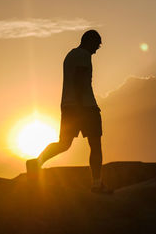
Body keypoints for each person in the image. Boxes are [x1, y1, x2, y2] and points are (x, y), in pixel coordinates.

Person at [26, 30, 113, 194]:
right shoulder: (83, 55)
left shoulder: (70, 55)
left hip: (68, 106)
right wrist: (82, 108)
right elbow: (80, 81)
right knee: (95, 145)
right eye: (97, 44)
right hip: (84, 107)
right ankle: (97, 184)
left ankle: (36, 163)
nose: (97, 49)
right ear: (90, 41)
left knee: (64, 144)